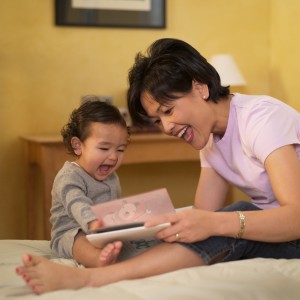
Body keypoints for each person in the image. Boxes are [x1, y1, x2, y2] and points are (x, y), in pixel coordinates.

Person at [16, 38, 300, 294]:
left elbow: (295, 217)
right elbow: (205, 212)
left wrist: (212, 222)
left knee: (236, 215)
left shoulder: (261, 119)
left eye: (168, 111)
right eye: (157, 120)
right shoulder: (209, 137)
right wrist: (161, 226)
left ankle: (91, 280)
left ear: (200, 87)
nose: (166, 127)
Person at [48, 96, 130, 268]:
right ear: (78, 146)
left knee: (134, 239)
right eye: (104, 148)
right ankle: (99, 260)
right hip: (70, 234)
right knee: (80, 241)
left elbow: (115, 206)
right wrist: (93, 224)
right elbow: (77, 203)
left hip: (104, 232)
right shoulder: (69, 177)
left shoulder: (111, 177)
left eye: (120, 149)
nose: (114, 156)